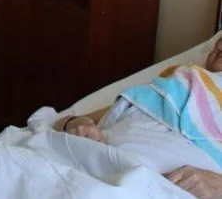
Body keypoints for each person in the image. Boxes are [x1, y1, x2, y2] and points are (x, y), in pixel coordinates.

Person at [54, 36, 222, 199]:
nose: (219, 47)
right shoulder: (180, 81)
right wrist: (76, 123)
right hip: (97, 161)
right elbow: (66, 121)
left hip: (170, 182)